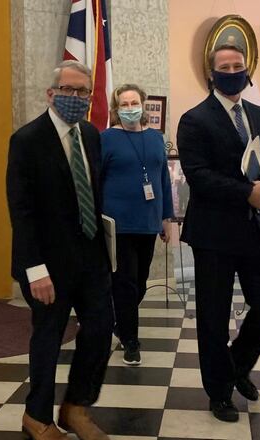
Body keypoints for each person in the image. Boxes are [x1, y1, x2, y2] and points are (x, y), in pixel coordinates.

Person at [177, 44, 260, 423]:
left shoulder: (258, 114)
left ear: (247, 69)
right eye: (224, 66)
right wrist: (246, 192)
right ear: (212, 73)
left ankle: (237, 365)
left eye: (238, 65)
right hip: (213, 234)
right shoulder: (194, 120)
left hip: (254, 229)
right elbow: (199, 176)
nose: (232, 71)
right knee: (213, 316)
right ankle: (219, 392)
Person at [7, 60, 113, 440]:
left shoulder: (92, 134)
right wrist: (34, 268)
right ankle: (37, 416)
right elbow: (21, 209)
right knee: (48, 339)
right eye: (68, 90)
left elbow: (93, 195)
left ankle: (76, 407)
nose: (76, 98)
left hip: (90, 257)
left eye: (83, 91)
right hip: (47, 265)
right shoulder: (27, 140)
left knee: (101, 329)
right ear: (51, 94)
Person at [100, 84, 173, 366]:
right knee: (126, 282)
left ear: (143, 104)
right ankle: (131, 341)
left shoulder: (155, 138)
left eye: (134, 102)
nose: (130, 108)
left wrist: (166, 219)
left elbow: (163, 181)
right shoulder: (106, 138)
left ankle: (120, 323)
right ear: (116, 109)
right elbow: (96, 179)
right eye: (124, 104)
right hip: (117, 223)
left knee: (140, 282)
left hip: (148, 221)